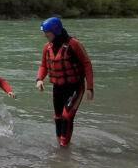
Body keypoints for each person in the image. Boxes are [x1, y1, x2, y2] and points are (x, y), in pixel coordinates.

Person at [35, 17, 94, 147]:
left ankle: (63, 146)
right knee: (58, 118)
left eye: (47, 33)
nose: (45, 35)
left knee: (67, 116)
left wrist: (90, 87)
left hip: (75, 87)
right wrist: (39, 79)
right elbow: (44, 66)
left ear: (55, 31)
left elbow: (87, 64)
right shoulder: (47, 47)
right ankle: (60, 144)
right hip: (58, 88)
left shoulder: (74, 44)